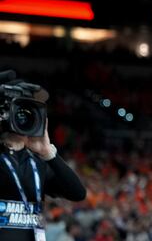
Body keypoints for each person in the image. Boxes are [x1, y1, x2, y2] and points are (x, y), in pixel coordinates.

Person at [0, 74, 86, 240]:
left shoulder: (37, 163)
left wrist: (49, 154)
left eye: (29, 111)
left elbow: (78, 193)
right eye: (19, 109)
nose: (24, 116)